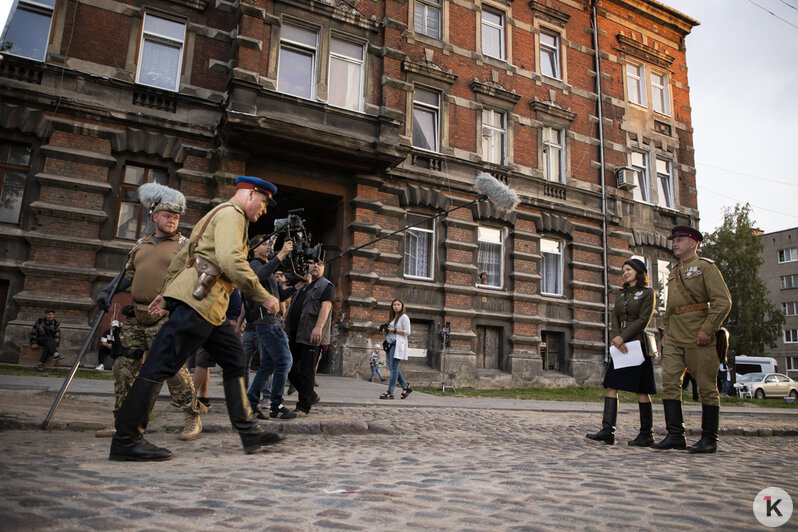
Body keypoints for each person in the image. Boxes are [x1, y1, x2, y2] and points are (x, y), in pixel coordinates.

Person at [108, 175, 284, 461]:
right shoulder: (232, 215)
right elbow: (230, 259)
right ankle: (126, 440)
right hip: (198, 304)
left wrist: (165, 295)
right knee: (157, 366)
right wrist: (262, 295)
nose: (263, 210)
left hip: (207, 306)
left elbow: (184, 257)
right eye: (263, 203)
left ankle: (249, 431)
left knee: (234, 360)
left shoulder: (215, 213)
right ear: (251, 194)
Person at [95, 183, 206, 441]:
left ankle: (192, 416)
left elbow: (196, 278)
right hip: (135, 317)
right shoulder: (140, 245)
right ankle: (122, 421)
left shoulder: (185, 245)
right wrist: (107, 292)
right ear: (155, 216)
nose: (172, 221)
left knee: (173, 371)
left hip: (165, 317)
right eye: (167, 216)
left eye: (176, 217)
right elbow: (128, 276)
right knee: (123, 369)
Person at [652, 225, 732, 454]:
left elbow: (723, 301)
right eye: (674, 240)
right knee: (669, 382)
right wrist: (666, 331)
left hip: (699, 334)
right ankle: (676, 435)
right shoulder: (675, 271)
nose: (674, 243)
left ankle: (709, 439)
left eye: (680, 239)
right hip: (675, 334)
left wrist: (708, 328)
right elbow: (671, 306)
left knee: (707, 386)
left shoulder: (705, 267)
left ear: (693, 243)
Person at [586, 259, 657, 446]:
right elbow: (615, 318)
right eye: (623, 270)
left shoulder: (648, 293)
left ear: (638, 271)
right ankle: (608, 431)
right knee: (611, 385)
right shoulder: (621, 294)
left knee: (642, 389)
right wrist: (616, 338)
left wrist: (623, 337)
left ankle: (646, 434)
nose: (625, 273)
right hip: (620, 346)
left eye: (628, 270)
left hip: (637, 344)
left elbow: (643, 320)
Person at [246, 237, 306, 420]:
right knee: (284, 361)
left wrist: (300, 284)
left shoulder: (267, 269)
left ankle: (251, 402)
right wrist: (281, 255)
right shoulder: (253, 264)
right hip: (267, 321)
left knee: (268, 365)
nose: (268, 246)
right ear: (254, 249)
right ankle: (276, 405)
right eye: (264, 244)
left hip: (270, 321)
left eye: (268, 244)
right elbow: (258, 276)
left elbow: (281, 295)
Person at [285, 258, 335, 416]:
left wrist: (318, 327)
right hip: (295, 333)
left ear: (323, 268)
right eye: (312, 263)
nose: (315, 266)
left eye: (320, 264)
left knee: (307, 371)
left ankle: (303, 407)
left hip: (310, 334)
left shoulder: (326, 285)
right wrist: (285, 320)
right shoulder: (304, 285)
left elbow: (326, 307)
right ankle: (310, 395)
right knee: (288, 367)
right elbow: (293, 304)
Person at [380, 299, 413, 400]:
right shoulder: (393, 318)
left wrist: (394, 330)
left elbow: (408, 332)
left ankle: (390, 392)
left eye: (398, 305)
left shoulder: (404, 317)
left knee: (394, 367)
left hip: (397, 344)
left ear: (402, 306)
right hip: (389, 344)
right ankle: (405, 387)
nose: (396, 306)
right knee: (391, 367)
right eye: (394, 305)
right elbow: (391, 330)